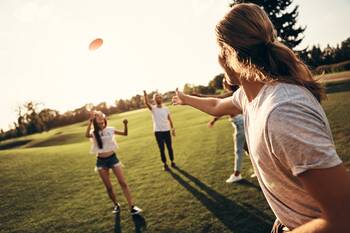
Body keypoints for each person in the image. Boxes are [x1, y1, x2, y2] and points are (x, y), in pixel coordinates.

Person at [172, 3, 350, 233]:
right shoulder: (250, 97)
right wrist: (186, 98)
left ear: (227, 53)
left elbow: (343, 218)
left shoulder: (283, 111)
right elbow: (217, 105)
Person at [85, 111, 142, 215]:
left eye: (102, 119)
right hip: (101, 162)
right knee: (109, 187)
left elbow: (125, 134)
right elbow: (86, 135)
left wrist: (125, 124)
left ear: (104, 120)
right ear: (95, 122)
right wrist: (90, 122)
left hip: (113, 158)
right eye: (98, 120)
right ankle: (116, 204)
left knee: (123, 183)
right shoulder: (94, 133)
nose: (101, 122)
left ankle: (132, 207)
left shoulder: (110, 129)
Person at [207, 81, 248, 183]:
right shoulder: (237, 93)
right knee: (247, 148)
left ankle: (237, 174)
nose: (223, 84)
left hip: (240, 124)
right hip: (243, 122)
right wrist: (214, 120)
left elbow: (219, 107)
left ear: (230, 84)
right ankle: (258, 169)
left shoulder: (232, 95)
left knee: (238, 150)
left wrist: (213, 120)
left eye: (224, 82)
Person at [143, 90, 176, 171]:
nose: (158, 99)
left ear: (161, 99)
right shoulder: (153, 109)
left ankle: (172, 161)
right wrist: (145, 95)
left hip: (166, 130)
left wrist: (172, 129)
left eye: (159, 98)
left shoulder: (166, 108)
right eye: (156, 98)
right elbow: (146, 103)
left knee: (169, 147)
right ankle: (164, 164)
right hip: (158, 132)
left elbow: (169, 119)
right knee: (162, 148)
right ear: (154, 100)